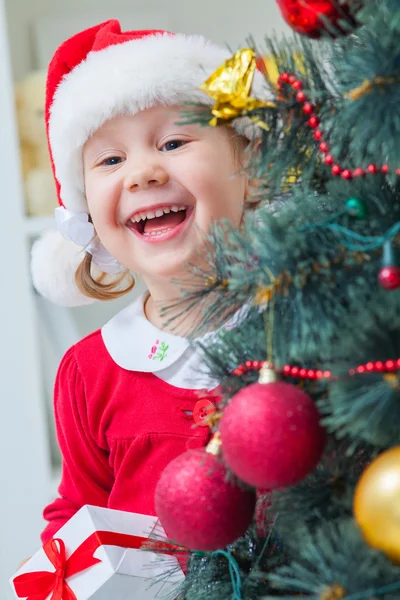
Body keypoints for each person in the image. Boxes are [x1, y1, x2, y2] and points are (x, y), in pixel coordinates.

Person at [30, 19, 266, 543]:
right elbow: (78, 514)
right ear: (86, 212)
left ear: (249, 167)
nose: (142, 174)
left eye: (174, 141)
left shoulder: (315, 327)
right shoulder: (89, 374)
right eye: (111, 159)